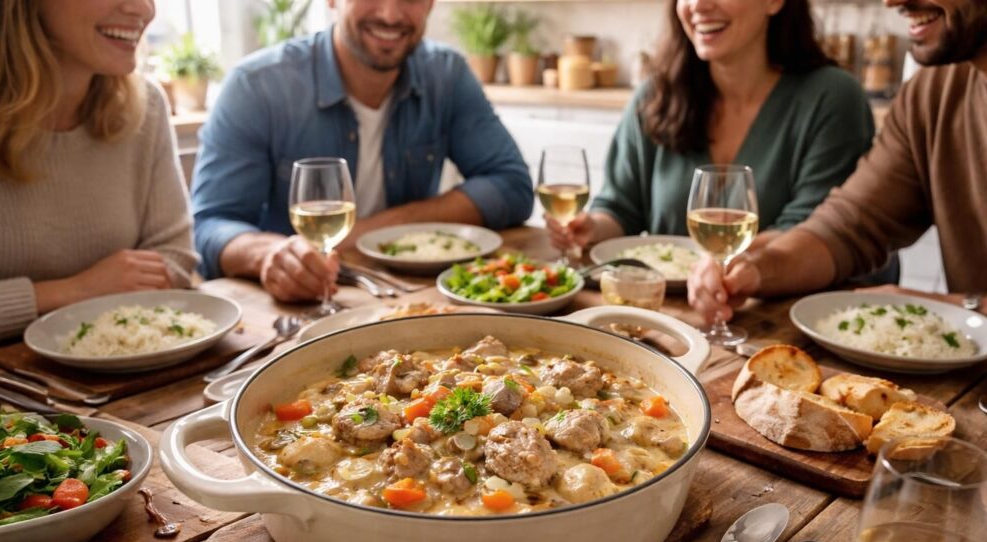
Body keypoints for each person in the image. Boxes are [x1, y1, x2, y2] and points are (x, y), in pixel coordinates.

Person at [192, 0, 534, 303]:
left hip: (409, 299)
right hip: (295, 308)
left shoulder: (447, 75)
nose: (390, 14)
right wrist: (269, 255)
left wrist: (368, 231)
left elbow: (511, 185)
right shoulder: (256, 85)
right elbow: (210, 225)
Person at [689, 0, 987, 322]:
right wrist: (757, 269)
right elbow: (848, 226)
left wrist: (954, 308)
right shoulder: (932, 93)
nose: (892, 2)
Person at [547, 0, 874, 258]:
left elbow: (816, 232)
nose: (698, 5)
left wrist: (723, 266)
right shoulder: (653, 96)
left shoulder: (833, 98)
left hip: (782, 320)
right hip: (673, 314)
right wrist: (590, 229)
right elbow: (620, 209)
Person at [0, 0, 198, 351]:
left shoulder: (146, 107)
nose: (144, 9)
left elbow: (175, 257)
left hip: (125, 383)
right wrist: (76, 290)